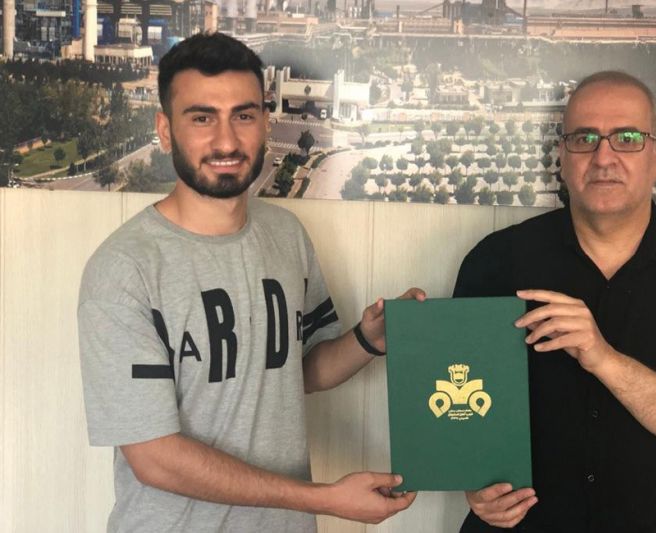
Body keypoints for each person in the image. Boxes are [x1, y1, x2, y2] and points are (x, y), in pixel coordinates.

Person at [77, 32, 422, 532]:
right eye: (202, 118)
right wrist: (322, 498)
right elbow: (154, 457)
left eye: (243, 116)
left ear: (264, 123)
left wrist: (369, 340)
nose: (226, 141)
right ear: (165, 130)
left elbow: (294, 373)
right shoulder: (124, 269)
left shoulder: (285, 234)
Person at [454, 71, 656, 533]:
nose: (603, 157)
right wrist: (472, 482)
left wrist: (604, 359)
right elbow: (455, 409)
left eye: (628, 138)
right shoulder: (495, 261)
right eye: (584, 139)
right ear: (562, 157)